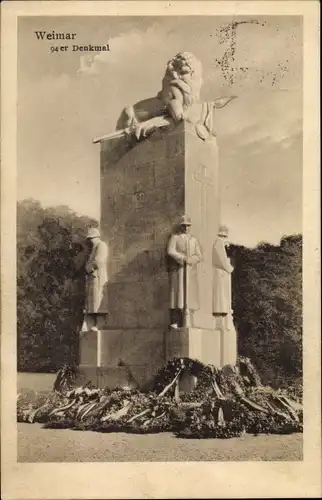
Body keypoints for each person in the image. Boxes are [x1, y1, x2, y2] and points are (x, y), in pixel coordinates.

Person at [167, 215, 203, 328]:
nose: (186, 228)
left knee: (189, 296)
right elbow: (170, 251)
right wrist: (181, 258)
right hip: (179, 270)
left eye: (188, 226)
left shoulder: (194, 240)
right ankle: (176, 321)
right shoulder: (175, 237)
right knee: (177, 296)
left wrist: (191, 260)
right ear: (181, 226)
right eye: (184, 225)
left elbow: (199, 255)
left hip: (190, 270)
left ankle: (188, 320)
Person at [82, 227, 108, 332]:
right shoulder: (94, 247)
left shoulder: (101, 245)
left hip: (98, 276)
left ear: (96, 237)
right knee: (92, 302)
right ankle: (90, 323)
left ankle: (99, 323)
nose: (90, 241)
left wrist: (88, 268)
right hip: (92, 277)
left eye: (91, 238)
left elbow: (99, 260)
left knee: (98, 301)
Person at [212, 224, 233, 322]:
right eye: (224, 236)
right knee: (220, 295)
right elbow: (221, 260)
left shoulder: (220, 243)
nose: (225, 238)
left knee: (223, 295)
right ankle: (220, 314)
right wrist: (229, 268)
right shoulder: (218, 243)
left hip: (222, 273)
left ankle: (223, 313)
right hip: (219, 273)